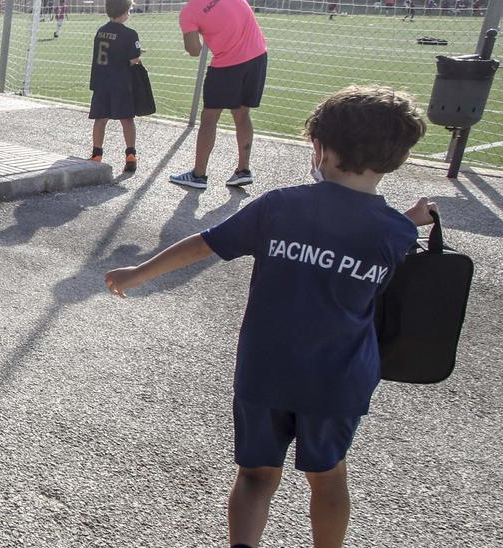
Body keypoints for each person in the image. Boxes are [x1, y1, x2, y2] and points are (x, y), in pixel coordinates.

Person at [105, 85, 437, 548]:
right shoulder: (397, 232)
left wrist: (139, 272)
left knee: (256, 476)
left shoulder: (280, 207)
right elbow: (370, 239)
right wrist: (412, 218)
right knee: (327, 474)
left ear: (319, 148)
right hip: (338, 379)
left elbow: (205, 244)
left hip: (267, 369)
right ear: (396, 157)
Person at [170, 0, 268, 190]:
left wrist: (200, 32)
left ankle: (198, 175)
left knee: (209, 118)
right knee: (242, 114)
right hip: (258, 56)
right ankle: (243, 170)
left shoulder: (189, 12)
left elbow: (194, 50)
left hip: (227, 66)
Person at [87, 0, 142, 173]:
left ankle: (97, 154)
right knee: (127, 119)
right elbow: (133, 60)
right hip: (121, 82)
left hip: (102, 81)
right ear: (125, 11)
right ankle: (130, 155)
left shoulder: (101, 31)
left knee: (100, 119)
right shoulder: (130, 34)